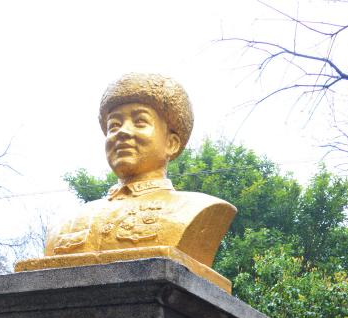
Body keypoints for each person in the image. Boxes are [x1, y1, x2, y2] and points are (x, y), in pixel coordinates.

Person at [43, 73, 236, 282]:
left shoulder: (195, 208)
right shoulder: (66, 222)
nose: (122, 132)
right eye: (114, 125)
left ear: (171, 143)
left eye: (140, 122)